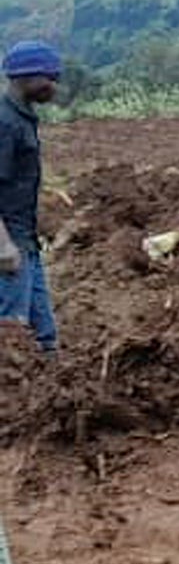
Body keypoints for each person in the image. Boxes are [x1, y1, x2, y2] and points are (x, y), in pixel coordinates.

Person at [0, 40, 62, 352]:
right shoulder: (5, 123)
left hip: (25, 243)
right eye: (50, 78)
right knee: (12, 336)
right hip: (8, 247)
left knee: (45, 337)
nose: (55, 85)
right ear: (27, 77)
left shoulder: (21, 118)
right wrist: (4, 246)